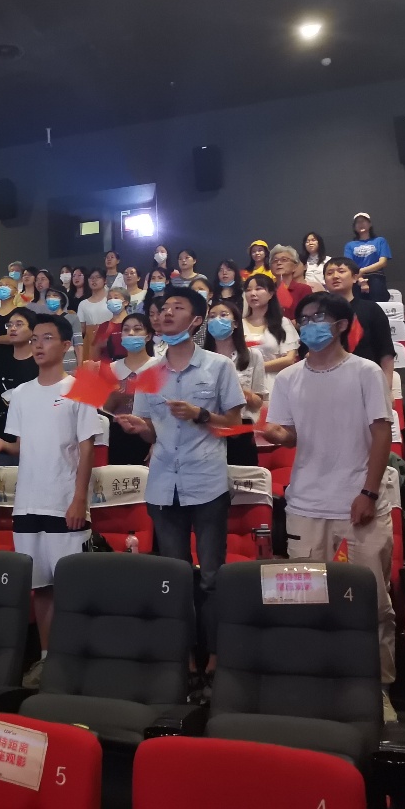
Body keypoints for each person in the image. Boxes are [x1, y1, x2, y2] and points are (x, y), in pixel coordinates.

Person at [262, 292, 396, 719]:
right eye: (303, 319)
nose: (309, 325)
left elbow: (381, 433)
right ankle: (315, 683)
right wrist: (275, 434)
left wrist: (368, 492)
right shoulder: (288, 378)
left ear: (341, 325)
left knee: (371, 603)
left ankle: (378, 689)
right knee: (306, 603)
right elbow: (291, 434)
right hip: (304, 504)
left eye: (318, 317)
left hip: (358, 502)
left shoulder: (365, 371)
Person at [116, 287, 244, 688]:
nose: (166, 313)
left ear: (196, 320)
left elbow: (234, 424)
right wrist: (139, 427)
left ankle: (217, 655)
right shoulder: (149, 373)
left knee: (211, 575)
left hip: (206, 481)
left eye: (177, 307)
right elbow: (151, 430)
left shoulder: (218, 366)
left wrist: (200, 414)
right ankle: (184, 655)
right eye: (162, 308)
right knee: (174, 576)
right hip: (162, 484)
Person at [0, 314, 99, 685]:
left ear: (65, 346)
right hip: (27, 502)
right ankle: (48, 659)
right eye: (35, 339)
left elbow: (86, 447)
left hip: (63, 501)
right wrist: (3, 445)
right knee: (41, 587)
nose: (38, 345)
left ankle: (75, 661)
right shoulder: (21, 394)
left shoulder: (80, 389)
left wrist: (79, 499)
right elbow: (22, 445)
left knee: (71, 587)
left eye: (47, 338)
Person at [203, 300, 266, 467]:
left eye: (223, 315)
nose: (217, 320)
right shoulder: (201, 357)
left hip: (241, 426)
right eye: (212, 316)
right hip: (208, 426)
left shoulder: (253, 356)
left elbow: (258, 402)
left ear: (236, 323)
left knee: (242, 477)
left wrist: (238, 389)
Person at [323, 257, 397, 389]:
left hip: (367, 381)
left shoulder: (371, 309)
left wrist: (387, 388)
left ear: (355, 277)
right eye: (329, 273)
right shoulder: (318, 313)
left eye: (341, 271)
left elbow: (386, 351)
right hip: (328, 383)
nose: (335, 276)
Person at [0, 307, 40, 440]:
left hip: (32, 431)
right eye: (9, 325)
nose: (12, 328)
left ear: (33, 331)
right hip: (0, 431)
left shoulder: (40, 363)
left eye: (19, 324)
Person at [105, 313, 153, 466]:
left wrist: (156, 442)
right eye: (126, 330)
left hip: (150, 434)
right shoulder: (111, 369)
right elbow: (104, 411)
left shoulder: (159, 367)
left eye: (137, 329)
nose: (131, 333)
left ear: (148, 336)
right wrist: (114, 398)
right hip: (116, 437)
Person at [242, 274, 299, 391]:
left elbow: (289, 359)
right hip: (243, 385)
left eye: (258, 289)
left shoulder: (283, 323)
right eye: (248, 290)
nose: (252, 293)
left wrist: (255, 368)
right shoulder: (238, 324)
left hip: (274, 384)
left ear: (271, 294)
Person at [0, 276, 28, 372]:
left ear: (15, 292)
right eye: (0, 285)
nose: (2, 287)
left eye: (7, 285)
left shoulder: (23, 313)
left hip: (17, 365)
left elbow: (20, 337)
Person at [344, 212, 393, 302]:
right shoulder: (350, 245)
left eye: (363, 221)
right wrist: (361, 279)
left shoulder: (380, 241)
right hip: (357, 278)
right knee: (358, 305)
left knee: (378, 302)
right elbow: (349, 265)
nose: (361, 224)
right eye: (357, 222)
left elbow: (383, 262)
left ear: (370, 224)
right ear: (354, 227)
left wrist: (362, 270)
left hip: (376, 276)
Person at [76, 268, 113, 362]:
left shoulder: (111, 300)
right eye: (91, 278)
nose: (94, 280)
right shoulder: (83, 304)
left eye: (97, 277)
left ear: (105, 280)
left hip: (109, 337)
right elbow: (81, 328)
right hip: (90, 340)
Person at [88, 286, 130, 362]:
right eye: (109, 298)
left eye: (116, 297)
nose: (112, 300)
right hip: (107, 365)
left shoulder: (132, 325)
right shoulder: (103, 326)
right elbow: (95, 354)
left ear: (126, 302)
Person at [270, 246, 313, 317]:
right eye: (275, 261)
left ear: (294, 267)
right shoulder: (268, 290)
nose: (279, 263)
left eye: (284, 260)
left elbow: (308, 316)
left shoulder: (303, 289)